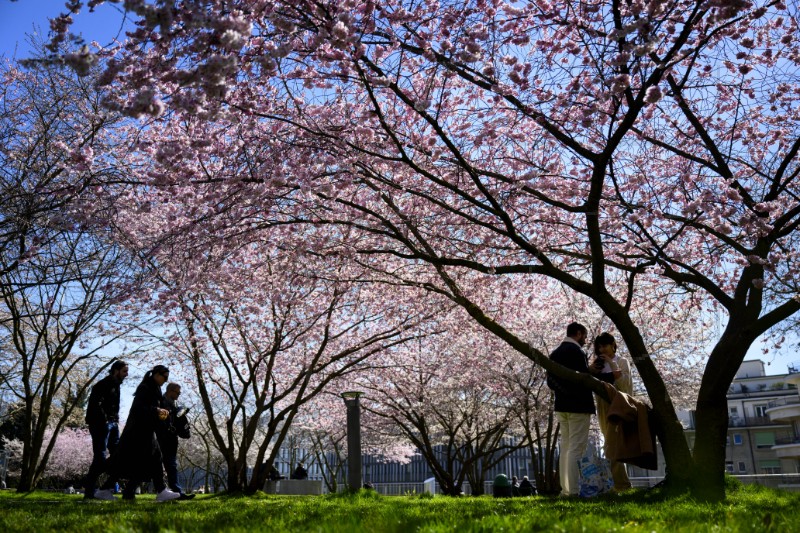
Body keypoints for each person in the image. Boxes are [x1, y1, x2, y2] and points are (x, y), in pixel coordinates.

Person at [97, 365, 180, 502]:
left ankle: (119, 491)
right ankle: (160, 491)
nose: (165, 380)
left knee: (138, 462)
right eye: (164, 377)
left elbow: (151, 408)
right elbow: (138, 408)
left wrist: (161, 413)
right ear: (156, 375)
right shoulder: (146, 388)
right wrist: (156, 411)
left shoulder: (154, 388)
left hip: (143, 430)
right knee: (149, 458)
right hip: (138, 431)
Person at [546, 321, 595, 497]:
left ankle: (566, 490)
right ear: (579, 333)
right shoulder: (577, 351)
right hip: (579, 406)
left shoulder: (554, 353)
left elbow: (550, 382)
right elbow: (582, 379)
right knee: (576, 448)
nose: (585, 340)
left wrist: (564, 393)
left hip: (561, 405)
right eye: (585, 336)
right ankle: (573, 491)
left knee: (566, 447)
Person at [590, 332, 633, 492]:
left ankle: (621, 485)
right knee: (609, 444)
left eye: (605, 345)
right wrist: (591, 370)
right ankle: (617, 484)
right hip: (602, 406)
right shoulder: (598, 364)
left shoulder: (622, 361)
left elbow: (625, 385)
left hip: (618, 404)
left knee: (614, 444)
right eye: (599, 346)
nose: (602, 349)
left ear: (613, 345)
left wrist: (612, 363)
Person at [83, 360, 128, 500]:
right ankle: (89, 491)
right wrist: (105, 420)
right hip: (101, 424)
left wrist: (114, 420)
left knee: (120, 457)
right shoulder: (102, 384)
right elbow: (96, 404)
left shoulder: (117, 385)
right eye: (124, 371)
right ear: (116, 370)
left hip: (113, 423)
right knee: (100, 457)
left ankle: (103, 489)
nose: (127, 374)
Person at [156, 382, 195, 500]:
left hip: (172, 439)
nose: (179, 394)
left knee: (172, 465)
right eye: (177, 392)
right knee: (154, 465)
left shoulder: (177, 405)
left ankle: (177, 492)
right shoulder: (160, 402)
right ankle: (130, 490)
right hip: (160, 438)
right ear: (170, 391)